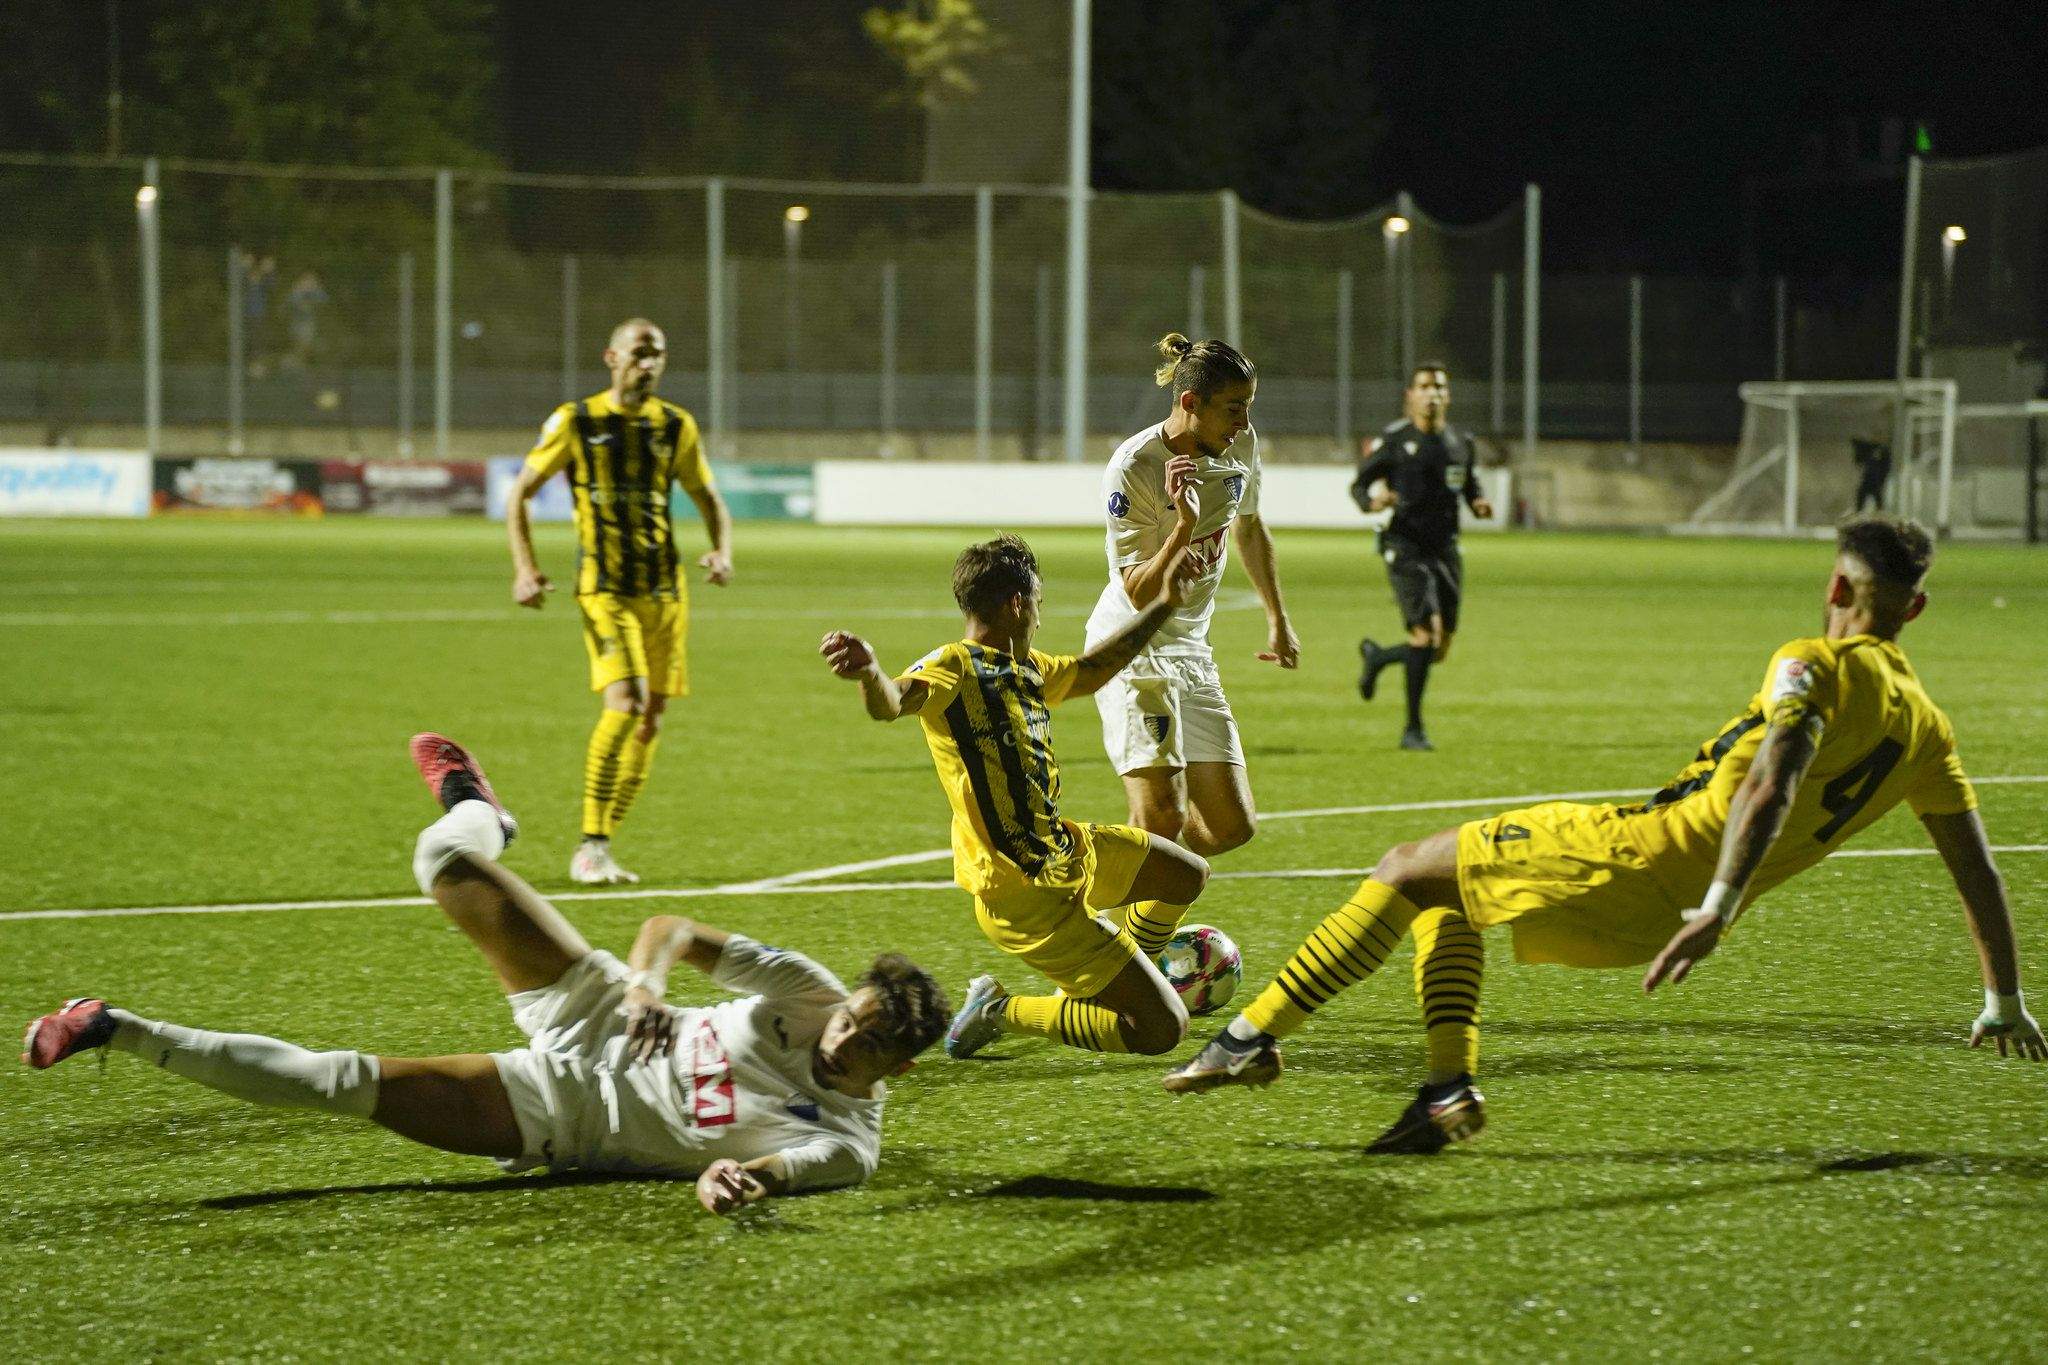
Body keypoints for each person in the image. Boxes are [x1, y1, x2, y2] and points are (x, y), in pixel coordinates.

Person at [1166, 515, 2044, 1150]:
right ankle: (1445, 1088)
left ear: (1838, 589)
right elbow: (1979, 870)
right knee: (1451, 889)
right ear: (1916, 609)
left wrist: (1720, 901)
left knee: (1401, 868)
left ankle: (1248, 1038)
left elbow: (1774, 776)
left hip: (1645, 855)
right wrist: (2003, 996)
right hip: (1667, 915)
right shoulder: (1929, 729)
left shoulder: (1811, 662)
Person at [22, 734, 947, 1214]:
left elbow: (773, 1175)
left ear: (896, 1068)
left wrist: (729, 1184)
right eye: (852, 1015)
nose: (842, 1032)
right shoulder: (811, 989)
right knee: (442, 862)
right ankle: (480, 812)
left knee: (340, 1081)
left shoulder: (846, 1149)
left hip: (567, 1110)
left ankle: (111, 1025)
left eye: (866, 1039)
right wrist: (645, 985)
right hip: (596, 1009)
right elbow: (670, 928)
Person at [820, 533, 1211, 1061]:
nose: (1039, 619)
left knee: (1187, 874)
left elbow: (1095, 670)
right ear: (1018, 603)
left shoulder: (1028, 669)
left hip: (1066, 851)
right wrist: (870, 673)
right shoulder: (955, 665)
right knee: (1162, 1030)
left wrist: (1164, 603)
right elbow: (892, 703)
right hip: (1023, 896)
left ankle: (1104, 981)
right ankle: (999, 1011)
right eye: (1039, 606)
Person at [507, 318, 735, 886]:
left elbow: (708, 497)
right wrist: (525, 568)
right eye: (638, 352)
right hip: (604, 588)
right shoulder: (576, 421)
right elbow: (521, 495)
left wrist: (721, 550)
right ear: (611, 357)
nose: (648, 363)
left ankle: (604, 842)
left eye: (656, 354)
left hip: (665, 591)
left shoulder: (674, 425)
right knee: (626, 702)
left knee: (650, 720)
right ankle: (591, 843)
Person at [1085, 333, 1298, 863]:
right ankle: (1121, 925)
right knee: (1161, 816)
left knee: (1230, 828)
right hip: (1132, 647)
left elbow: (1248, 528)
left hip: (1191, 650)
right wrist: (1182, 526)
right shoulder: (1134, 467)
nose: (1244, 424)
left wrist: (1277, 618)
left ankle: (1147, 877)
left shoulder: (1238, 445)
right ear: (1189, 403)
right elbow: (1137, 591)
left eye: (1248, 408)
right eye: (1233, 409)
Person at [1352, 362, 1494, 751]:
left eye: (1439, 387)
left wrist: (1478, 501)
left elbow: (1469, 483)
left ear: (1447, 396)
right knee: (1424, 635)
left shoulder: (1460, 442)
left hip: (1446, 549)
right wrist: (1372, 501)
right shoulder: (1396, 440)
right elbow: (1360, 484)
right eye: (1424, 386)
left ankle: (1379, 658)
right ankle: (1412, 729)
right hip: (1404, 545)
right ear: (1411, 396)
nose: (1432, 393)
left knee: (1439, 648)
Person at [1851, 438, 1892, 513]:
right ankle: (1878, 511)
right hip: (1872, 479)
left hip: (1873, 479)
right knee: (1866, 495)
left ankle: (1878, 511)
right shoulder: (1873, 453)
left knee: (1866, 495)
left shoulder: (1878, 453)